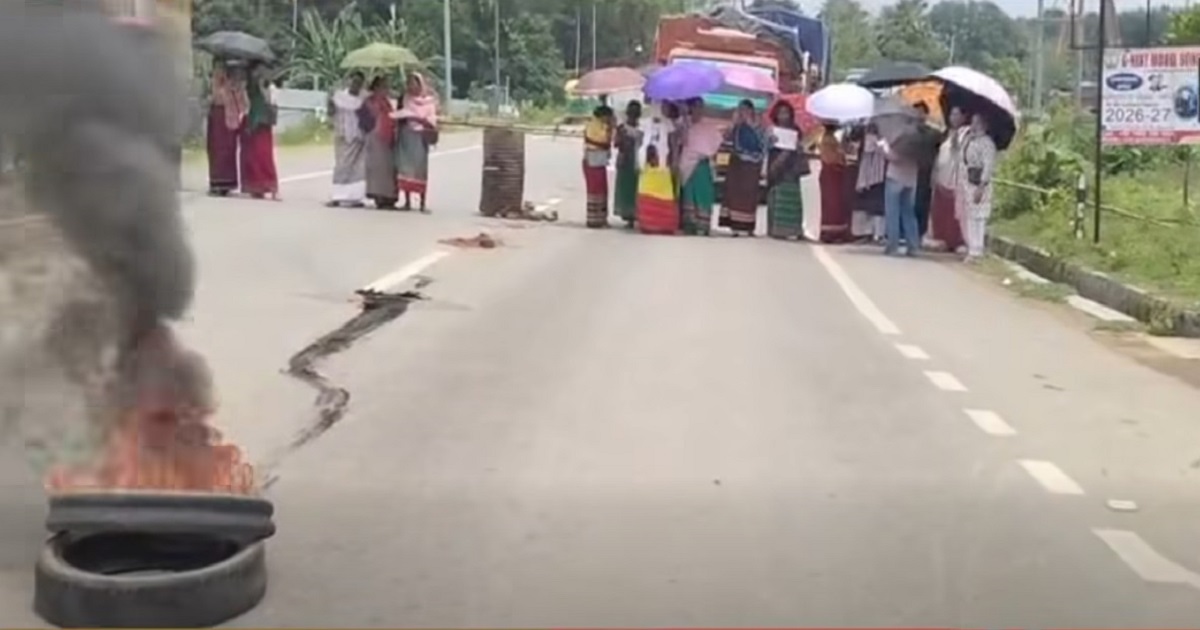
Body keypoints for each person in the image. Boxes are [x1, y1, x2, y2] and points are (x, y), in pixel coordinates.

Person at [393, 72, 439, 212]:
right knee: (405, 168)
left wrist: (422, 120)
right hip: (406, 136)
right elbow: (400, 115)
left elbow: (432, 119)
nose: (411, 86)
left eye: (414, 83)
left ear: (420, 85)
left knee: (420, 169)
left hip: (420, 137)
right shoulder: (405, 99)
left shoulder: (429, 102)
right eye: (409, 83)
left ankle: (422, 203)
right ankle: (407, 201)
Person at [721, 99, 766, 237]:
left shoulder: (758, 126)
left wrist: (751, 125)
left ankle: (749, 227)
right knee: (734, 193)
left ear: (751, 111)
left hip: (752, 165)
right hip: (737, 163)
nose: (743, 112)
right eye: (740, 109)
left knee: (749, 195)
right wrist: (733, 125)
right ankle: (734, 226)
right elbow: (726, 139)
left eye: (745, 110)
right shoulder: (737, 126)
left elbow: (763, 144)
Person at [765, 100, 808, 240]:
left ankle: (795, 229)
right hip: (777, 169)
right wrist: (770, 141)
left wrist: (798, 147)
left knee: (793, 199)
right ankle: (776, 230)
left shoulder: (796, 130)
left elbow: (800, 149)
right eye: (781, 113)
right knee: (777, 197)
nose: (784, 116)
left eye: (786, 113)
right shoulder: (772, 131)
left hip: (791, 169)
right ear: (775, 115)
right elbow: (766, 148)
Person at [959, 112, 998, 262]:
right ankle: (972, 248)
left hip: (981, 182)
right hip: (969, 180)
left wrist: (982, 185)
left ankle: (977, 249)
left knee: (979, 216)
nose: (973, 125)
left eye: (977, 123)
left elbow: (988, 166)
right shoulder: (970, 140)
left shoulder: (987, 143)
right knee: (971, 215)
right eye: (973, 122)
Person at [678, 97, 720, 236]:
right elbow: (681, 142)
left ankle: (703, 225)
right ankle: (690, 224)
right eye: (695, 107)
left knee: (703, 194)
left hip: (703, 165)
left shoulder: (708, 127)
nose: (698, 110)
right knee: (689, 194)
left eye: (700, 107)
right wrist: (684, 122)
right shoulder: (684, 125)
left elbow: (716, 144)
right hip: (688, 165)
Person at [327, 71, 368, 208]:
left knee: (357, 169)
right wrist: (329, 103)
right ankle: (337, 196)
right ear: (349, 81)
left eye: (359, 83)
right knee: (341, 167)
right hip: (342, 135)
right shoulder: (339, 97)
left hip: (358, 137)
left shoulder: (363, 98)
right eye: (354, 81)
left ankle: (355, 198)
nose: (356, 85)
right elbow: (331, 112)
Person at [929, 105, 968, 253]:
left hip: (956, 176)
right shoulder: (945, 133)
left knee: (955, 211)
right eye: (952, 114)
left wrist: (956, 143)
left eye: (957, 114)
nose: (954, 118)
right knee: (941, 210)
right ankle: (941, 238)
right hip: (942, 174)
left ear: (963, 117)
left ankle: (957, 241)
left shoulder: (966, 134)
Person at [239, 63, 279, 200]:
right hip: (252, 122)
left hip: (263, 124)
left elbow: (272, 105)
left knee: (264, 155)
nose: (258, 75)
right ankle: (256, 187)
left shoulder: (270, 88)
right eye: (255, 73)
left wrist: (264, 91)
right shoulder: (249, 88)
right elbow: (246, 104)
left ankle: (271, 187)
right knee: (252, 156)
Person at [879, 130, 922, 257]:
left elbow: (893, 157)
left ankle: (892, 245)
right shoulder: (919, 144)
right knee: (909, 213)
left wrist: (882, 148)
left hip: (895, 177)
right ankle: (913, 246)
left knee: (892, 213)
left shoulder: (902, 141)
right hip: (911, 179)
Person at [207, 63, 247, 197]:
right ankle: (217, 183)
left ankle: (225, 183)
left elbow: (237, 102)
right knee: (216, 150)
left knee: (226, 151)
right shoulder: (220, 87)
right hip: (218, 119)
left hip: (225, 119)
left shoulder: (228, 87)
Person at [363, 76, 398, 210]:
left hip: (388, 137)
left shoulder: (387, 102)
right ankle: (379, 195)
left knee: (389, 168)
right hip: (375, 136)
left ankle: (389, 196)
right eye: (383, 86)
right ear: (376, 87)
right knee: (377, 167)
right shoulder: (369, 101)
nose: (386, 89)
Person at [912, 102, 942, 241]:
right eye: (915, 112)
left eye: (921, 112)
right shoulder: (907, 132)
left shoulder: (934, 134)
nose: (918, 115)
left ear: (926, 114)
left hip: (925, 172)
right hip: (908, 171)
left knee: (922, 203)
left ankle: (920, 232)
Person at [852, 123, 887, 243]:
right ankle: (874, 234)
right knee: (873, 206)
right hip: (873, 175)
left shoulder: (875, 141)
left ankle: (871, 233)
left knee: (871, 206)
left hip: (870, 176)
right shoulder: (879, 141)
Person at [817, 122, 851, 242]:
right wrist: (840, 156)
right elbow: (830, 158)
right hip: (831, 173)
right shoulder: (828, 139)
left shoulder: (829, 138)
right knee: (832, 204)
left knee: (833, 203)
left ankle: (833, 232)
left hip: (833, 174)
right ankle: (831, 233)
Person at [582, 104, 615, 228]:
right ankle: (594, 219)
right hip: (592, 159)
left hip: (599, 160)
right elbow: (602, 141)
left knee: (602, 190)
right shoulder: (593, 125)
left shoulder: (602, 125)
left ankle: (601, 218)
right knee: (595, 190)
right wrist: (609, 129)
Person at [613, 100, 644, 227]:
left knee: (633, 188)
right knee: (629, 188)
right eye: (632, 112)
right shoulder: (625, 128)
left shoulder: (640, 129)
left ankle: (632, 215)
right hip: (627, 161)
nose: (633, 115)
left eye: (635, 112)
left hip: (635, 160)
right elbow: (616, 143)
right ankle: (630, 215)